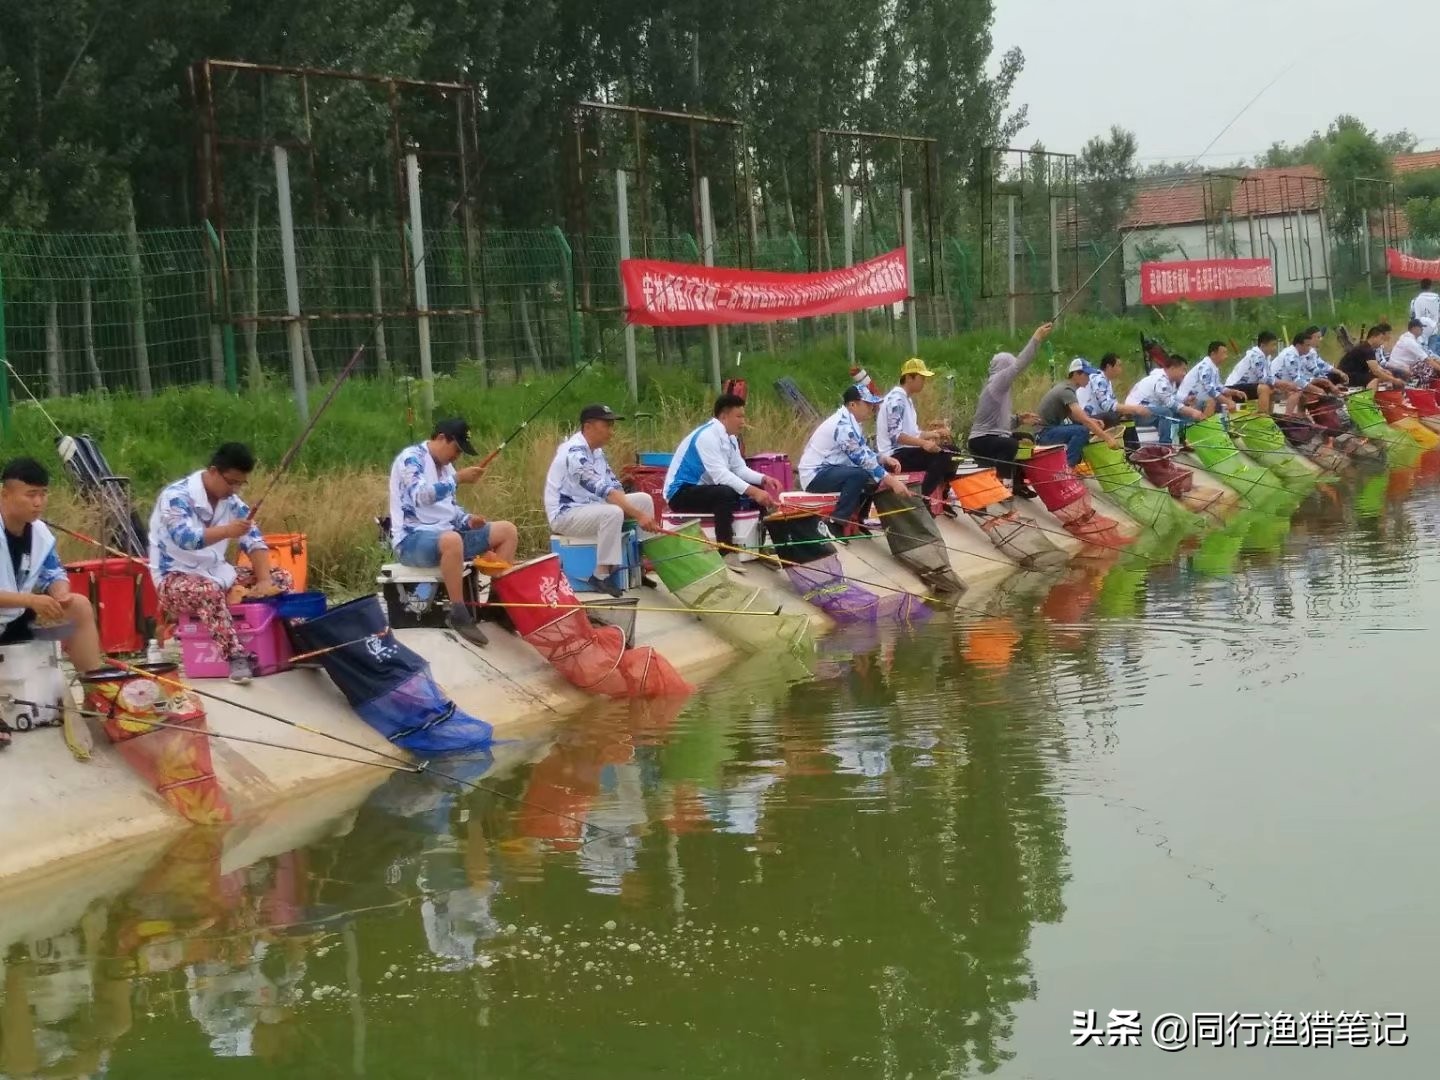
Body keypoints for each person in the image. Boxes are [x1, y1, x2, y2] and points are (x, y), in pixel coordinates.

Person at [149, 443, 295, 683]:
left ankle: (286, 642)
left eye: (241, 483)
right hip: (173, 578)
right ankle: (235, 656)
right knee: (208, 590)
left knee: (282, 578)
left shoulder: (233, 502)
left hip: (218, 572)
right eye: (231, 482)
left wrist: (264, 580)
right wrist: (227, 530)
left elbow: (254, 540)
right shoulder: (175, 497)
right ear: (214, 471)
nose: (235, 489)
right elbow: (186, 538)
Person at [389, 419, 519, 647]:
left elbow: (450, 510)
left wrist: (469, 520)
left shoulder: (447, 468)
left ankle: (498, 606)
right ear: (441, 438)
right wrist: (458, 479)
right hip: (412, 540)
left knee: (507, 531)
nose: (457, 456)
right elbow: (421, 496)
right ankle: (458, 612)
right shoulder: (411, 459)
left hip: (448, 534)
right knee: (452, 540)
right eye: (456, 449)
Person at [0, 459, 103, 733]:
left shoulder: (42, 534)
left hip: (15, 616)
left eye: (43, 493)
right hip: (13, 609)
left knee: (79, 606)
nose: (38, 502)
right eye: (30, 494)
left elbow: (52, 572)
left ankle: (96, 693)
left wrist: (61, 594)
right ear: (5, 494)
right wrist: (31, 600)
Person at [545, 403, 659, 596]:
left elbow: (614, 486)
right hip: (565, 514)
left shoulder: (596, 452)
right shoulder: (574, 453)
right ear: (588, 427)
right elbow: (604, 491)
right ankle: (600, 575)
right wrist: (638, 516)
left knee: (644, 500)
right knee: (612, 512)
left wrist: (638, 511)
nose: (611, 432)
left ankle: (639, 567)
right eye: (606, 426)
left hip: (590, 508)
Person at [663, 394, 779, 568]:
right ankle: (725, 550)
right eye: (738, 416)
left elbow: (739, 469)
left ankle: (759, 548)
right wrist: (754, 492)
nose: (743, 421)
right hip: (680, 493)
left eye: (744, 416)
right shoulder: (707, 436)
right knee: (726, 492)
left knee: (751, 490)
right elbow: (721, 475)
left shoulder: (730, 438)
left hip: (704, 490)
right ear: (724, 416)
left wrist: (763, 479)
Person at [798, 384, 910, 534]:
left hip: (831, 469)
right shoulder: (843, 426)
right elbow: (862, 459)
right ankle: (836, 521)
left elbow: (863, 451)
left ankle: (859, 520)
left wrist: (883, 459)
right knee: (861, 474)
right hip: (815, 475)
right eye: (868, 404)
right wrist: (893, 482)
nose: (871, 408)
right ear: (853, 405)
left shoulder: (852, 422)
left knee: (870, 474)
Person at [967, 322, 1056, 498]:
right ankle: (1002, 486)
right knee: (1009, 444)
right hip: (981, 440)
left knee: (1026, 439)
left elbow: (998, 423)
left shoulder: (1000, 388)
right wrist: (1036, 339)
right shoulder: (997, 383)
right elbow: (1019, 366)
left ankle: (1017, 482)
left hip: (993, 435)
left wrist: (1019, 420)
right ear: (1003, 368)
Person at [877, 358, 958, 514]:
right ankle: (923, 497)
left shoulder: (906, 400)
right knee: (944, 456)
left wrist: (934, 434)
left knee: (954, 452)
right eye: (922, 378)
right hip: (894, 455)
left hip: (906, 450)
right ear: (909, 377)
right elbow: (896, 436)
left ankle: (942, 492)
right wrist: (923, 444)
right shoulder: (896, 400)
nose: (924, 382)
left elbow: (913, 432)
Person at [1034, 359, 1121, 468]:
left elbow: (1074, 416)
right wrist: (1108, 438)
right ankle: (1067, 468)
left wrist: (1093, 421)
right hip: (1044, 434)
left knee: (1082, 428)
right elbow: (1084, 419)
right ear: (1076, 374)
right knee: (1082, 431)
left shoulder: (1067, 388)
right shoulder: (1066, 390)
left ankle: (1071, 464)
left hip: (1048, 430)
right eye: (1086, 374)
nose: (1089, 378)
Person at [1124, 355, 1205, 444]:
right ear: (1173, 368)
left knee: (1181, 413)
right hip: (1136, 413)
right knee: (1166, 412)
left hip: (1151, 409)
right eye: (1183, 369)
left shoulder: (1170, 382)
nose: (1184, 373)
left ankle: (1185, 439)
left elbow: (1171, 399)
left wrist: (1185, 400)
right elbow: (1169, 403)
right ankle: (1165, 444)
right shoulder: (1160, 380)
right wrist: (1192, 411)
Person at [1177, 342, 1246, 415]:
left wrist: (1234, 392)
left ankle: (1228, 420)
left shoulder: (1213, 367)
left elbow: (1218, 386)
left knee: (1227, 395)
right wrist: (1227, 402)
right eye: (1223, 353)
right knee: (1211, 401)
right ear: (1213, 354)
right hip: (1186, 401)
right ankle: (1205, 424)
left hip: (1198, 398)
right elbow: (1210, 389)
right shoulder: (1205, 367)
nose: (1226, 356)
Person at [1224, 331, 1280, 413]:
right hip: (1233, 388)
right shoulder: (1255, 356)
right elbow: (1263, 379)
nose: (1275, 348)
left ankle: (1270, 417)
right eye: (1273, 345)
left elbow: (1270, 377)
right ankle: (1263, 418)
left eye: (1276, 345)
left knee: (1272, 389)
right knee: (1264, 388)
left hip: (1246, 386)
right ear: (1263, 345)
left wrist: (1277, 386)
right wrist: (1284, 384)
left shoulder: (1266, 358)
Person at [1337, 324, 1401, 389]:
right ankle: (1369, 397)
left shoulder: (1365, 347)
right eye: (1381, 339)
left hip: (1350, 374)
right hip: (1346, 376)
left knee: (1384, 375)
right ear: (1373, 337)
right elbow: (1376, 371)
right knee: (1375, 377)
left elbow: (1375, 366)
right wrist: (1394, 380)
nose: (1382, 342)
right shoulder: (1367, 350)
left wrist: (1384, 371)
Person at [1389, 318, 1440, 383]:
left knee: (1434, 361)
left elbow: (1428, 355)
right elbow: (1427, 360)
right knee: (1430, 368)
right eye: (1420, 327)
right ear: (1413, 328)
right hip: (1400, 367)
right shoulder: (1410, 341)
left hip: (1404, 365)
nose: (1422, 329)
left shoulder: (1410, 338)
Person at [1410, 279, 1440, 352]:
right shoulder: (1438, 299)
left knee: (1421, 352)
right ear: (1431, 286)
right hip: (1434, 330)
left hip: (1419, 331)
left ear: (1421, 287)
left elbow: (1412, 316)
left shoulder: (1415, 300)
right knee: (1432, 353)